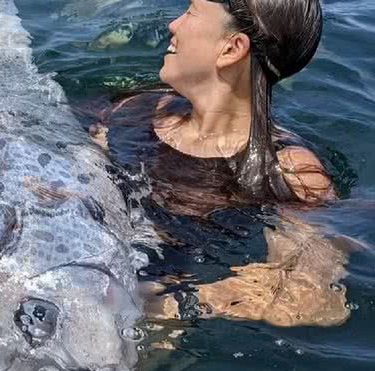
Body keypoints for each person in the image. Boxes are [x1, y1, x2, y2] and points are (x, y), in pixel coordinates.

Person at [88, 0, 353, 327]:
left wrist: (172, 300)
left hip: (151, 319)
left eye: (190, 12)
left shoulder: (289, 171)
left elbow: (311, 299)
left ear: (232, 48)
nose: (174, 24)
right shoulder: (134, 109)